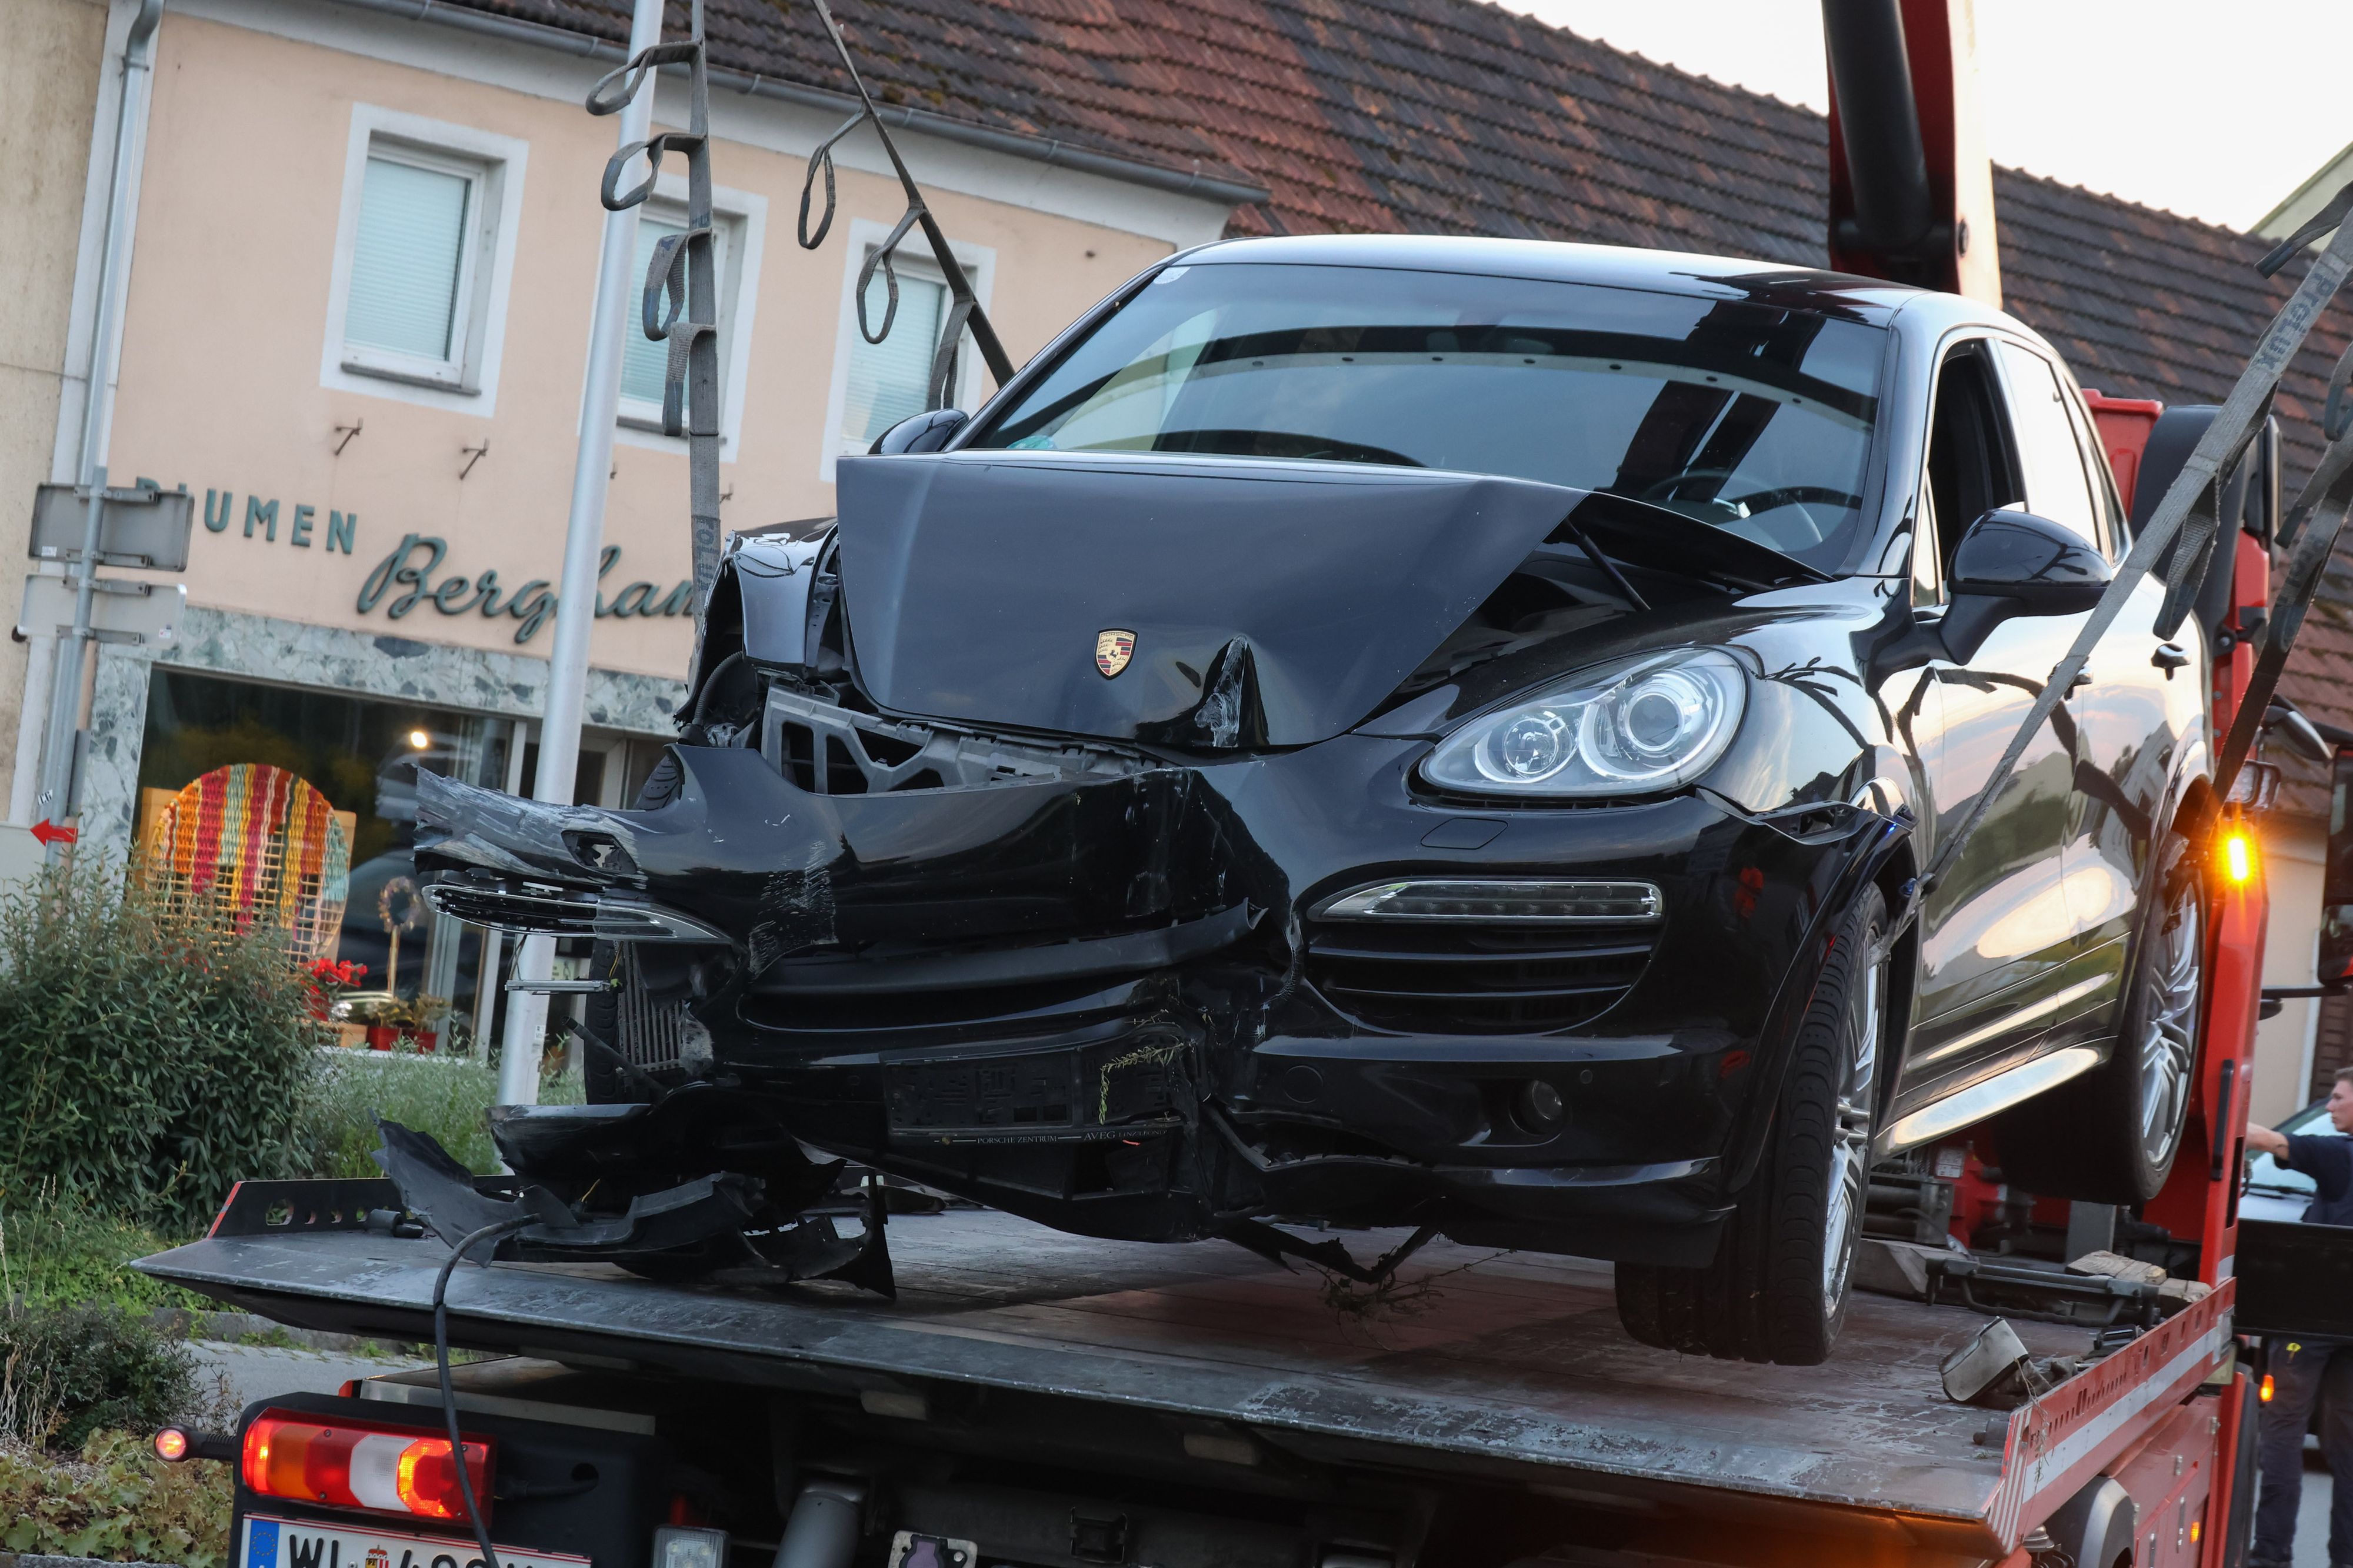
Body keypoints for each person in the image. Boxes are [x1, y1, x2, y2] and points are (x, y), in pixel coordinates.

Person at [2246, 1068, 2353, 1568]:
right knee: (2348, 1450)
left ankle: (2271, 1557)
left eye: (2338, 1098)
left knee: (2283, 1435)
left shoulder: (2340, 1156)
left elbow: (2268, 1140)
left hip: (2310, 1325)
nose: (2330, 1107)